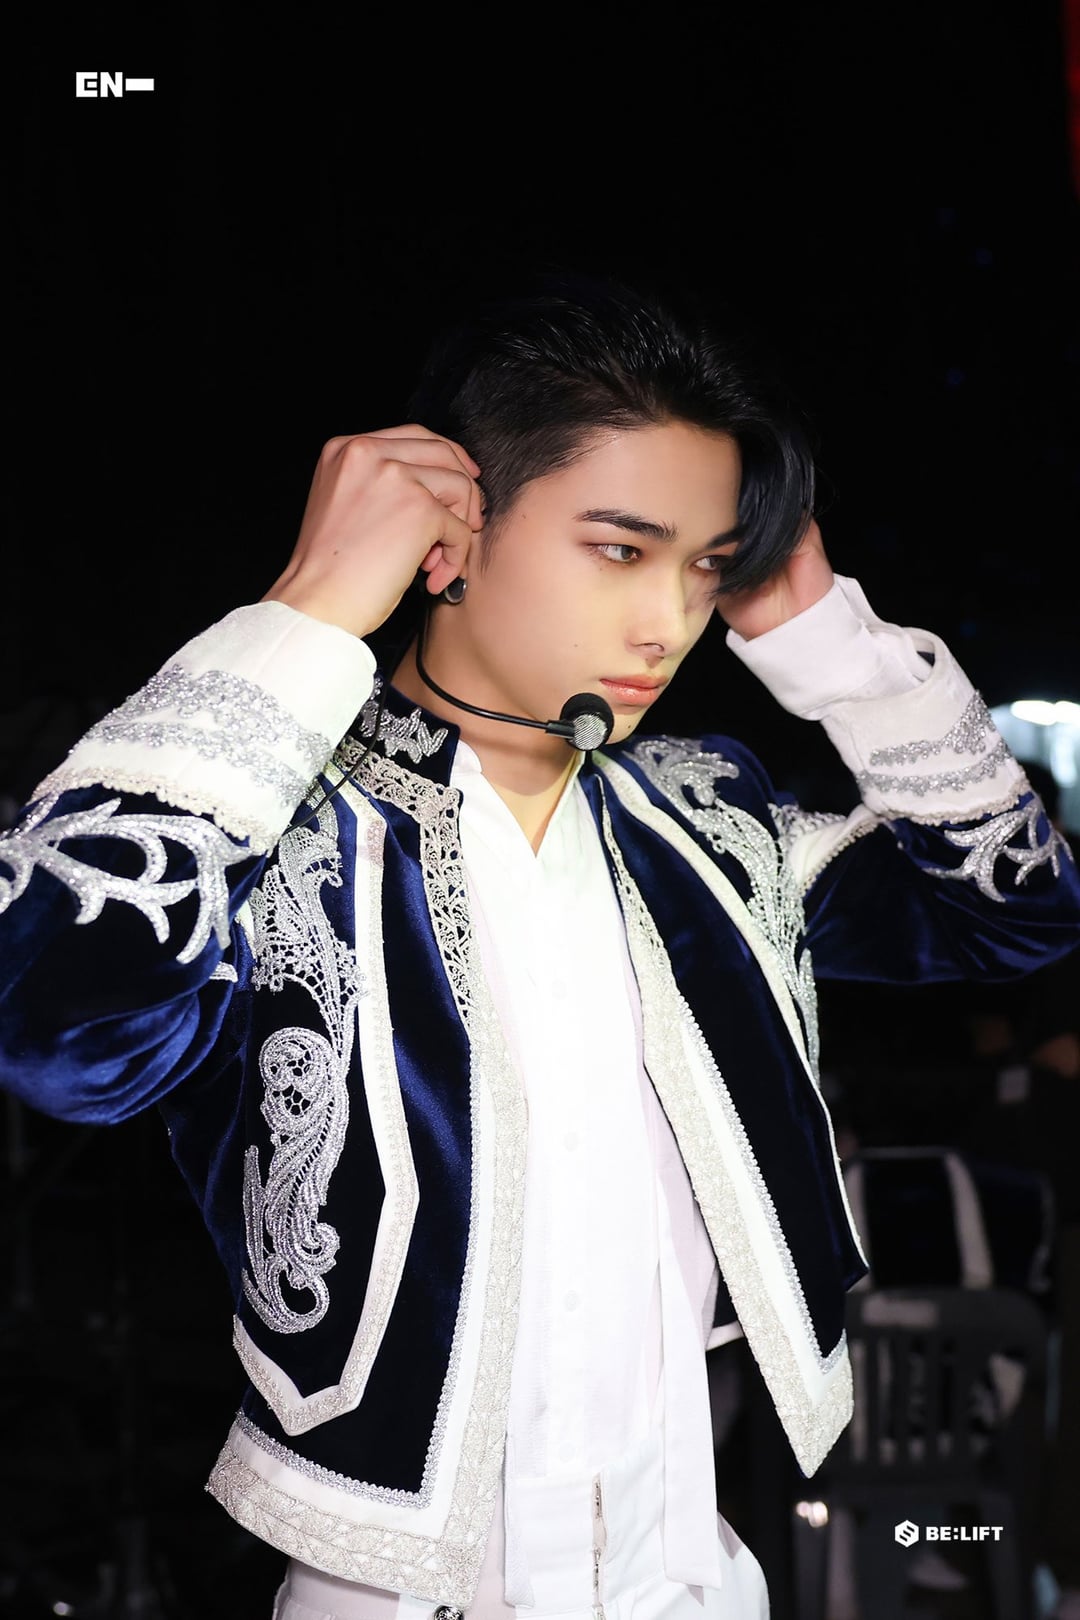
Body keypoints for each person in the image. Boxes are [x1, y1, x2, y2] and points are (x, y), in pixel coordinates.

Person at [1, 270, 1078, 1620]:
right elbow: (53, 1034)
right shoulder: (272, 822)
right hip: (390, 1590)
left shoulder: (710, 824)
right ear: (451, 537)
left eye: (706, 565)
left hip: (692, 1576)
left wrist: (830, 642)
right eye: (621, 550)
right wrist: (310, 610)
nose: (668, 622)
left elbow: (1014, 908)